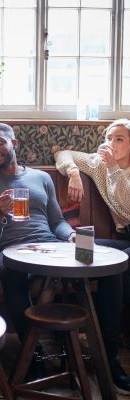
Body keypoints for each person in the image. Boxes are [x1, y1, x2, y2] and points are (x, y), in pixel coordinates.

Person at [0, 122, 130, 394]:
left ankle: (108, 358)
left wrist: (71, 237)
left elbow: (57, 222)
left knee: (110, 264)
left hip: (53, 247)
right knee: (9, 273)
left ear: (14, 145)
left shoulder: (40, 178)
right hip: (12, 252)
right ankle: (34, 355)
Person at [54, 118, 130, 304]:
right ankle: (75, 321)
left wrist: (113, 167)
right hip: (125, 237)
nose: (111, 144)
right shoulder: (99, 164)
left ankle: (115, 332)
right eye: (108, 138)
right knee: (81, 246)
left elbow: (127, 204)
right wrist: (73, 173)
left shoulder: (109, 165)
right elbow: (63, 154)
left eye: (119, 139)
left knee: (117, 266)